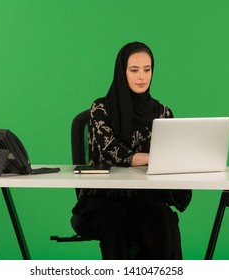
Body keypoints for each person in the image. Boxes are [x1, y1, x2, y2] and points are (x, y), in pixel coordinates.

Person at [71, 42, 192, 260]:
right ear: (122, 71)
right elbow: (111, 152)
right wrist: (153, 158)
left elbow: (171, 154)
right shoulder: (101, 109)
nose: (141, 77)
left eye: (147, 69)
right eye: (134, 70)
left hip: (143, 196)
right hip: (104, 197)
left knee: (162, 221)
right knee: (114, 223)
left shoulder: (162, 113)